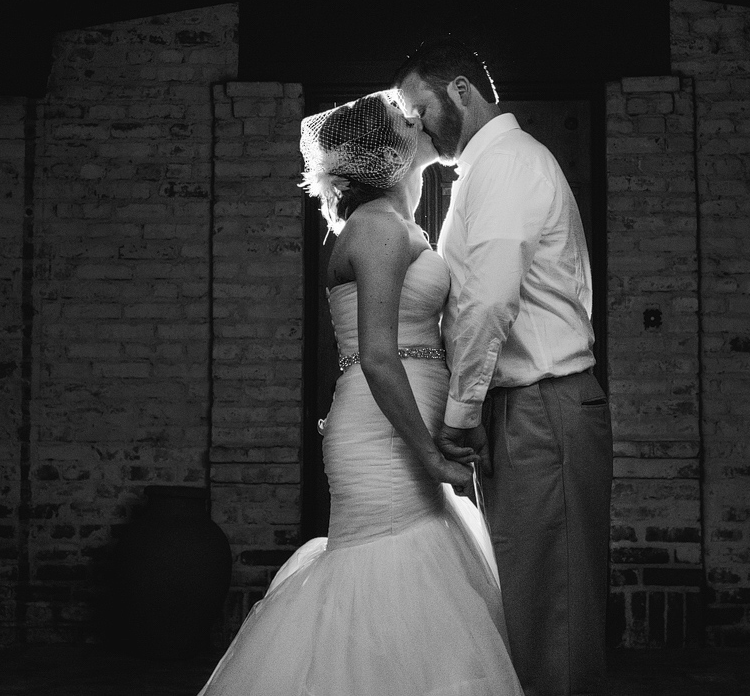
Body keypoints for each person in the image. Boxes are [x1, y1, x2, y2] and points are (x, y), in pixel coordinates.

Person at [198, 91, 521, 696]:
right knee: (382, 573)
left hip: (402, 427)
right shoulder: (375, 228)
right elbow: (377, 354)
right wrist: (428, 453)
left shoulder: (398, 225)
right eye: (406, 120)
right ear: (386, 152)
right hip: (381, 436)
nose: (418, 120)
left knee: (417, 582)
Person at [393, 38, 611, 696]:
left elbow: (489, 300)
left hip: (544, 406)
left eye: (419, 106)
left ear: (460, 90)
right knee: (528, 598)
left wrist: (461, 412)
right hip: (522, 408)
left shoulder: (510, 165)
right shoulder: (485, 172)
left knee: (555, 608)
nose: (416, 123)